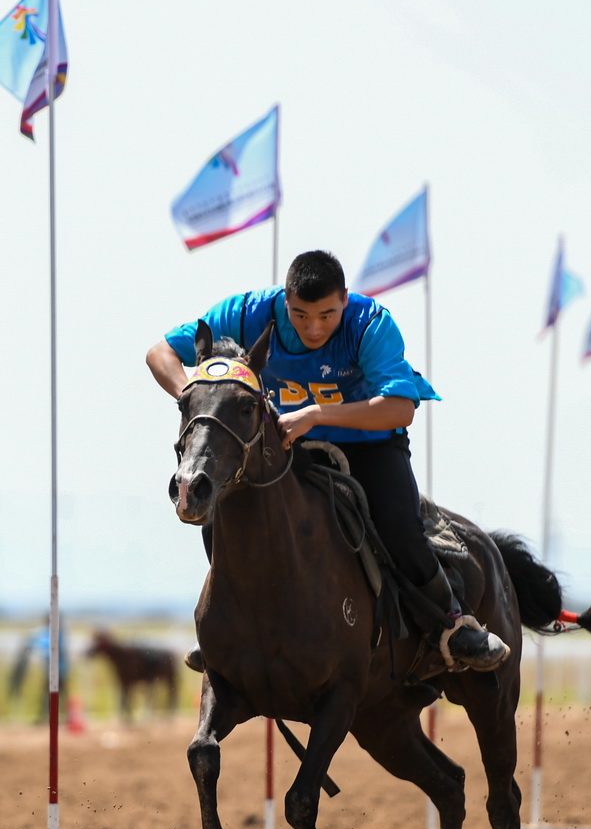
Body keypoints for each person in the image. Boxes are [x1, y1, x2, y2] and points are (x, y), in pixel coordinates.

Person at [146, 249, 505, 672]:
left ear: (345, 300)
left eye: (327, 315)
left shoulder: (370, 324)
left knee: (399, 527)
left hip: (371, 444)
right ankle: (230, 627)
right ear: (284, 299)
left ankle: (453, 624)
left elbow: (400, 408)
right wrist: (204, 395)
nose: (313, 328)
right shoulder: (245, 313)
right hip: (284, 445)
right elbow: (160, 353)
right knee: (226, 502)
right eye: (300, 315)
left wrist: (316, 414)